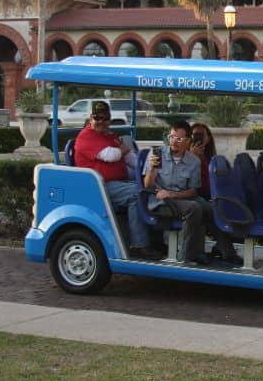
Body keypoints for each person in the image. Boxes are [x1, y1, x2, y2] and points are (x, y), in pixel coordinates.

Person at [142, 121, 240, 266]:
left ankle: (227, 252)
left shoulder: (193, 161)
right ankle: (184, 257)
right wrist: (151, 169)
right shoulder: (158, 154)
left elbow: (193, 190)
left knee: (212, 208)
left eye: (179, 138)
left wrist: (173, 195)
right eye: (172, 137)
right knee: (194, 208)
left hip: (179, 197)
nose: (174, 141)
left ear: (188, 140)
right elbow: (147, 185)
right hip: (160, 201)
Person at [73, 101, 160, 260]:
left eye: (105, 119)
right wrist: (122, 150)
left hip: (118, 183)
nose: (101, 122)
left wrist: (150, 166)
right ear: (91, 118)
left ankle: (156, 239)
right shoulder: (87, 136)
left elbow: (130, 158)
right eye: (97, 117)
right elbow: (111, 155)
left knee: (151, 187)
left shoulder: (110, 135)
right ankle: (139, 245)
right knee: (137, 194)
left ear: (110, 120)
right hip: (100, 187)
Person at [188, 122, 217, 200]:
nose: (198, 137)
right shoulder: (184, 157)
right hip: (196, 197)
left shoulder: (212, 159)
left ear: (208, 139)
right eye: (195, 135)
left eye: (201, 135)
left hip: (213, 195)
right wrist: (191, 158)